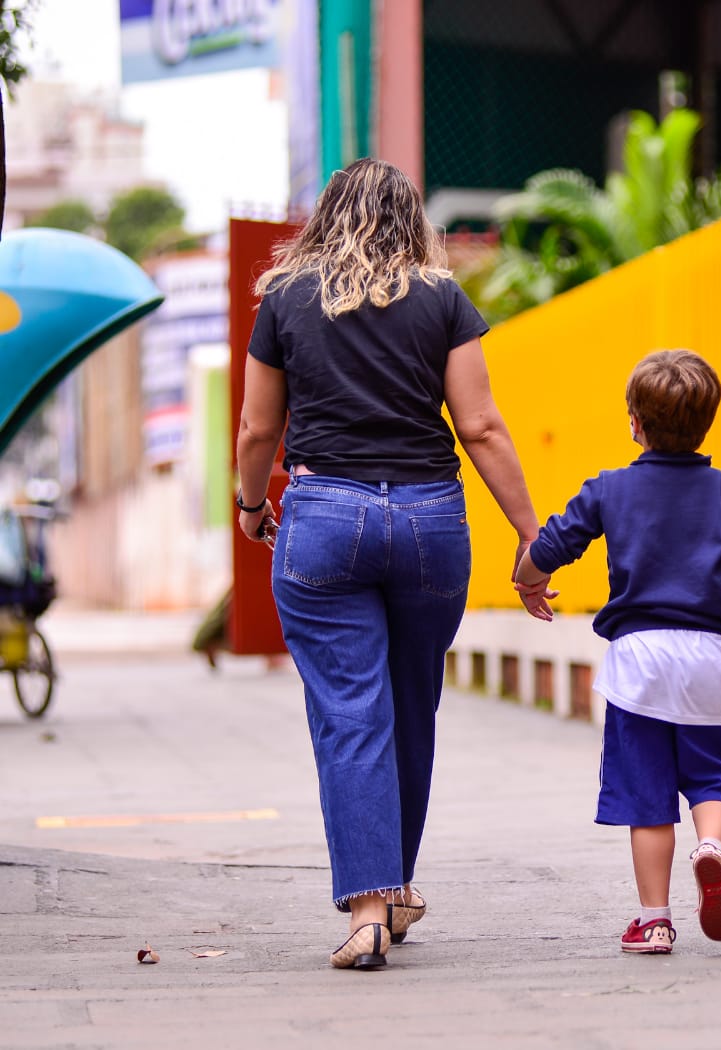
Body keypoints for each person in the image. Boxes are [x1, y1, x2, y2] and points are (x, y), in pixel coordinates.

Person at [235, 157, 549, 971]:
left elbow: (256, 432)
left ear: (326, 217)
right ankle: (395, 884)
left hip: (325, 520)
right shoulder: (443, 300)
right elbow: (480, 427)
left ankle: (370, 909)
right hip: (428, 524)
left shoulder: (286, 300)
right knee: (410, 705)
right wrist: (529, 536)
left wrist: (249, 504)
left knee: (351, 712)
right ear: (412, 220)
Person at [513, 349, 721, 954]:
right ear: (708, 420)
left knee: (647, 789)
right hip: (709, 655)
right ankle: (711, 848)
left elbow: (552, 545)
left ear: (634, 421)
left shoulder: (612, 489)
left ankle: (654, 920)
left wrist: (527, 578)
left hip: (638, 661)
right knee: (715, 771)